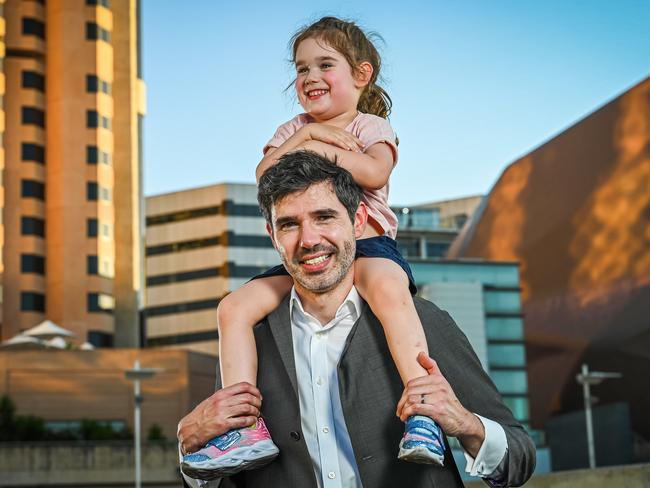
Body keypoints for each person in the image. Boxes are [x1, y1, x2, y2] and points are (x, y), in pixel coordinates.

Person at [182, 16, 445, 478]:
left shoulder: (370, 126)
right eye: (302, 69)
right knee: (233, 308)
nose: (310, 77)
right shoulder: (293, 129)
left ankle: (423, 412)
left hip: (369, 248)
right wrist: (308, 136)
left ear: (361, 75)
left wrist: (316, 145)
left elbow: (374, 173)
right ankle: (243, 427)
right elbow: (265, 175)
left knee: (387, 290)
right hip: (310, 259)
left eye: (325, 64)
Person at [178, 151, 536, 487]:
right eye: (289, 224)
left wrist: (466, 424)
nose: (309, 240)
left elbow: (519, 460)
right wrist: (190, 445)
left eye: (324, 217)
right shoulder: (251, 340)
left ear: (359, 221)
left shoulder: (420, 321)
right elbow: (225, 471)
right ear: (273, 236)